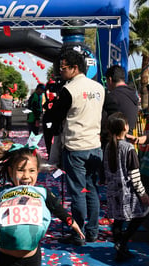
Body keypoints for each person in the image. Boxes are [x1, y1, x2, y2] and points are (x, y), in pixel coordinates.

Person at [50, 49, 105, 245]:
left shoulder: (69, 90)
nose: (60, 72)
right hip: (94, 146)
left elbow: (55, 116)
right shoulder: (99, 88)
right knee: (91, 190)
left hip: (75, 146)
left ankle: (78, 233)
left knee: (78, 193)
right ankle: (92, 231)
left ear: (74, 68)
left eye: (63, 68)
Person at [103, 112, 149, 261]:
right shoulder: (128, 148)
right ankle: (122, 242)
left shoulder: (108, 146)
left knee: (118, 219)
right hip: (127, 192)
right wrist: (143, 194)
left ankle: (119, 246)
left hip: (112, 190)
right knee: (144, 212)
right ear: (125, 127)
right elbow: (135, 176)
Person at [102, 65, 139, 135]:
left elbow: (104, 121)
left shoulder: (112, 97)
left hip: (115, 140)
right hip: (129, 138)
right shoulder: (133, 95)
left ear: (110, 80)